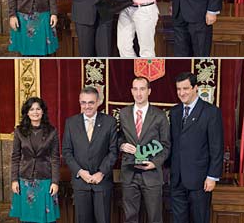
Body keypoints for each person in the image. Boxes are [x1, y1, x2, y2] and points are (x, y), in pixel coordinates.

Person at [170, 72, 224, 223]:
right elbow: (173, 144)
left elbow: (216, 147)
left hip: (200, 181)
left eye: (186, 88)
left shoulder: (211, 112)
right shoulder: (174, 112)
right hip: (177, 180)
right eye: (179, 89)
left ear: (196, 88)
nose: (182, 93)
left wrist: (212, 176)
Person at [62, 86, 118, 223]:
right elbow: (67, 152)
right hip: (81, 183)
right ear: (79, 102)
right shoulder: (71, 123)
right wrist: (80, 172)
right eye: (83, 102)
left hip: (102, 182)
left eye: (91, 102)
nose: (87, 106)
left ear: (98, 102)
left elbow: (113, 151)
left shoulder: (109, 122)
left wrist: (101, 172)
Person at [119, 76, 170, 223]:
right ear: (131, 91)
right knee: (130, 217)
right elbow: (118, 138)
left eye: (142, 89)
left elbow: (166, 145)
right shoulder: (123, 113)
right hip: (129, 172)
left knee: (155, 217)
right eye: (135, 89)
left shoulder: (160, 115)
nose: (138, 93)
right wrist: (121, 145)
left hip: (152, 173)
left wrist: (155, 163)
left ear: (149, 91)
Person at [9, 97, 60, 223]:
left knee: (46, 219)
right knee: (27, 219)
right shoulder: (19, 131)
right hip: (25, 180)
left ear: (43, 112)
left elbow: (55, 158)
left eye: (38, 109)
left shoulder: (52, 132)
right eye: (32, 109)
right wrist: (14, 180)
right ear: (27, 112)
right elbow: (15, 157)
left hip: (46, 181)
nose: (35, 112)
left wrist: (55, 182)